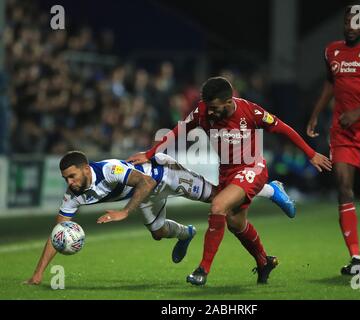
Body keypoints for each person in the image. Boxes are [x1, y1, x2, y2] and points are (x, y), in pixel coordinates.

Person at [128, 76, 332, 285]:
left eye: (214, 107)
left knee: (218, 207)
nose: (210, 112)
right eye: (208, 106)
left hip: (252, 167)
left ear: (229, 101)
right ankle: (264, 261)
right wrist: (150, 153)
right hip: (227, 173)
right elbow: (178, 131)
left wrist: (311, 153)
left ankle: (202, 270)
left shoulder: (251, 111)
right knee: (236, 223)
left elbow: (284, 129)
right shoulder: (201, 112)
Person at [25, 151, 293, 285]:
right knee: (157, 233)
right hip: (145, 194)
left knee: (220, 198)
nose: (70, 183)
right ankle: (186, 233)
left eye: (72, 176)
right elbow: (58, 232)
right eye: (66, 179)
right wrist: (38, 274)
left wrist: (124, 212)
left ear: (85, 169)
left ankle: (272, 189)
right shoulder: (72, 195)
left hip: (164, 177)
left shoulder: (109, 169)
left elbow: (144, 183)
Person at [306, 5, 360, 275]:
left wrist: (357, 112)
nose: (350, 26)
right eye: (347, 21)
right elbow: (330, 85)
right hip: (342, 132)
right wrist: (315, 115)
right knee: (344, 187)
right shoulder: (331, 51)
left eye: (356, 22)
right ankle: (356, 259)